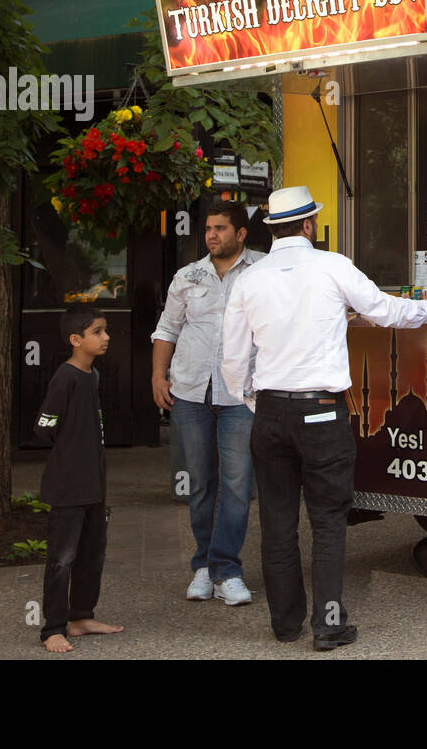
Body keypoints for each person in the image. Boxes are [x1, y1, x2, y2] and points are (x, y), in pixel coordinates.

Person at [221, 186, 427, 651]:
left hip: (270, 411)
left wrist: (254, 403)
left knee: (278, 522)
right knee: (326, 520)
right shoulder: (331, 266)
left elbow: (232, 360)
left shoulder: (249, 279)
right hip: (322, 411)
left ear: (271, 229)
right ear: (308, 226)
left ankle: (285, 626)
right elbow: (385, 310)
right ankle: (327, 625)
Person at [152, 200, 264, 605]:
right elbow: (167, 328)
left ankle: (227, 570)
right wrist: (157, 375)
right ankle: (203, 566)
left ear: (241, 233)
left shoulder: (263, 271)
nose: (212, 235)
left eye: (220, 228)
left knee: (237, 484)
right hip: (190, 391)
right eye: (208, 229)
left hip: (241, 394)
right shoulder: (188, 276)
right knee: (200, 483)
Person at [35, 307, 123, 653]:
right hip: (68, 486)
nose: (106, 338)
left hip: (93, 484)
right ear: (76, 340)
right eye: (98, 332)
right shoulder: (66, 377)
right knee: (62, 558)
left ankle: (81, 617)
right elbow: (44, 426)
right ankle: (52, 628)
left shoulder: (92, 375)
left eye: (105, 331)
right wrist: (69, 453)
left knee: (91, 553)